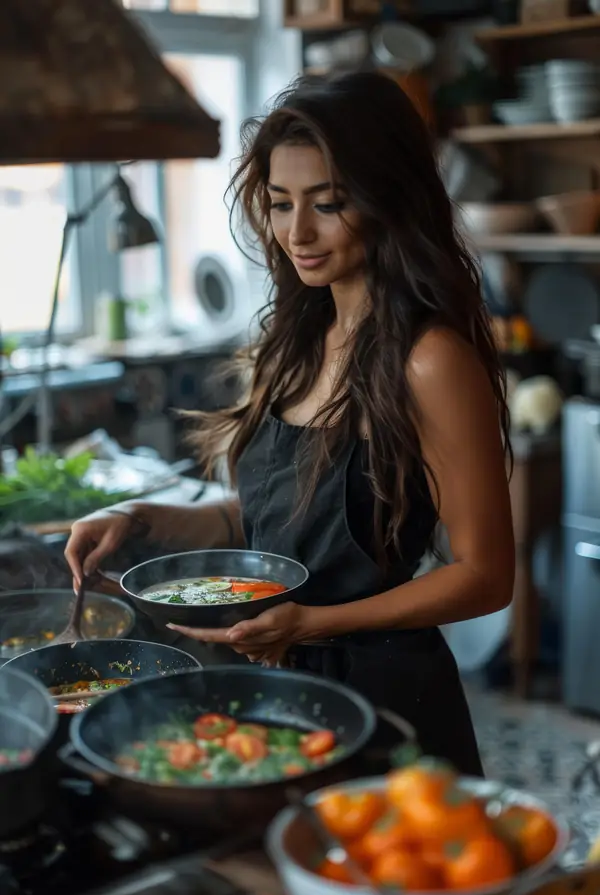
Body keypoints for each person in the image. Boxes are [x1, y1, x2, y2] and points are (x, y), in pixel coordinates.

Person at [65, 71, 515, 776]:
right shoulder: (294, 343)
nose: (297, 232)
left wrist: (314, 623)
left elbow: (486, 576)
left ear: (388, 201)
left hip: (386, 703)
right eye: (280, 204)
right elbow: (270, 520)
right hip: (279, 695)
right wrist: (140, 517)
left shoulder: (430, 362)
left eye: (328, 204)